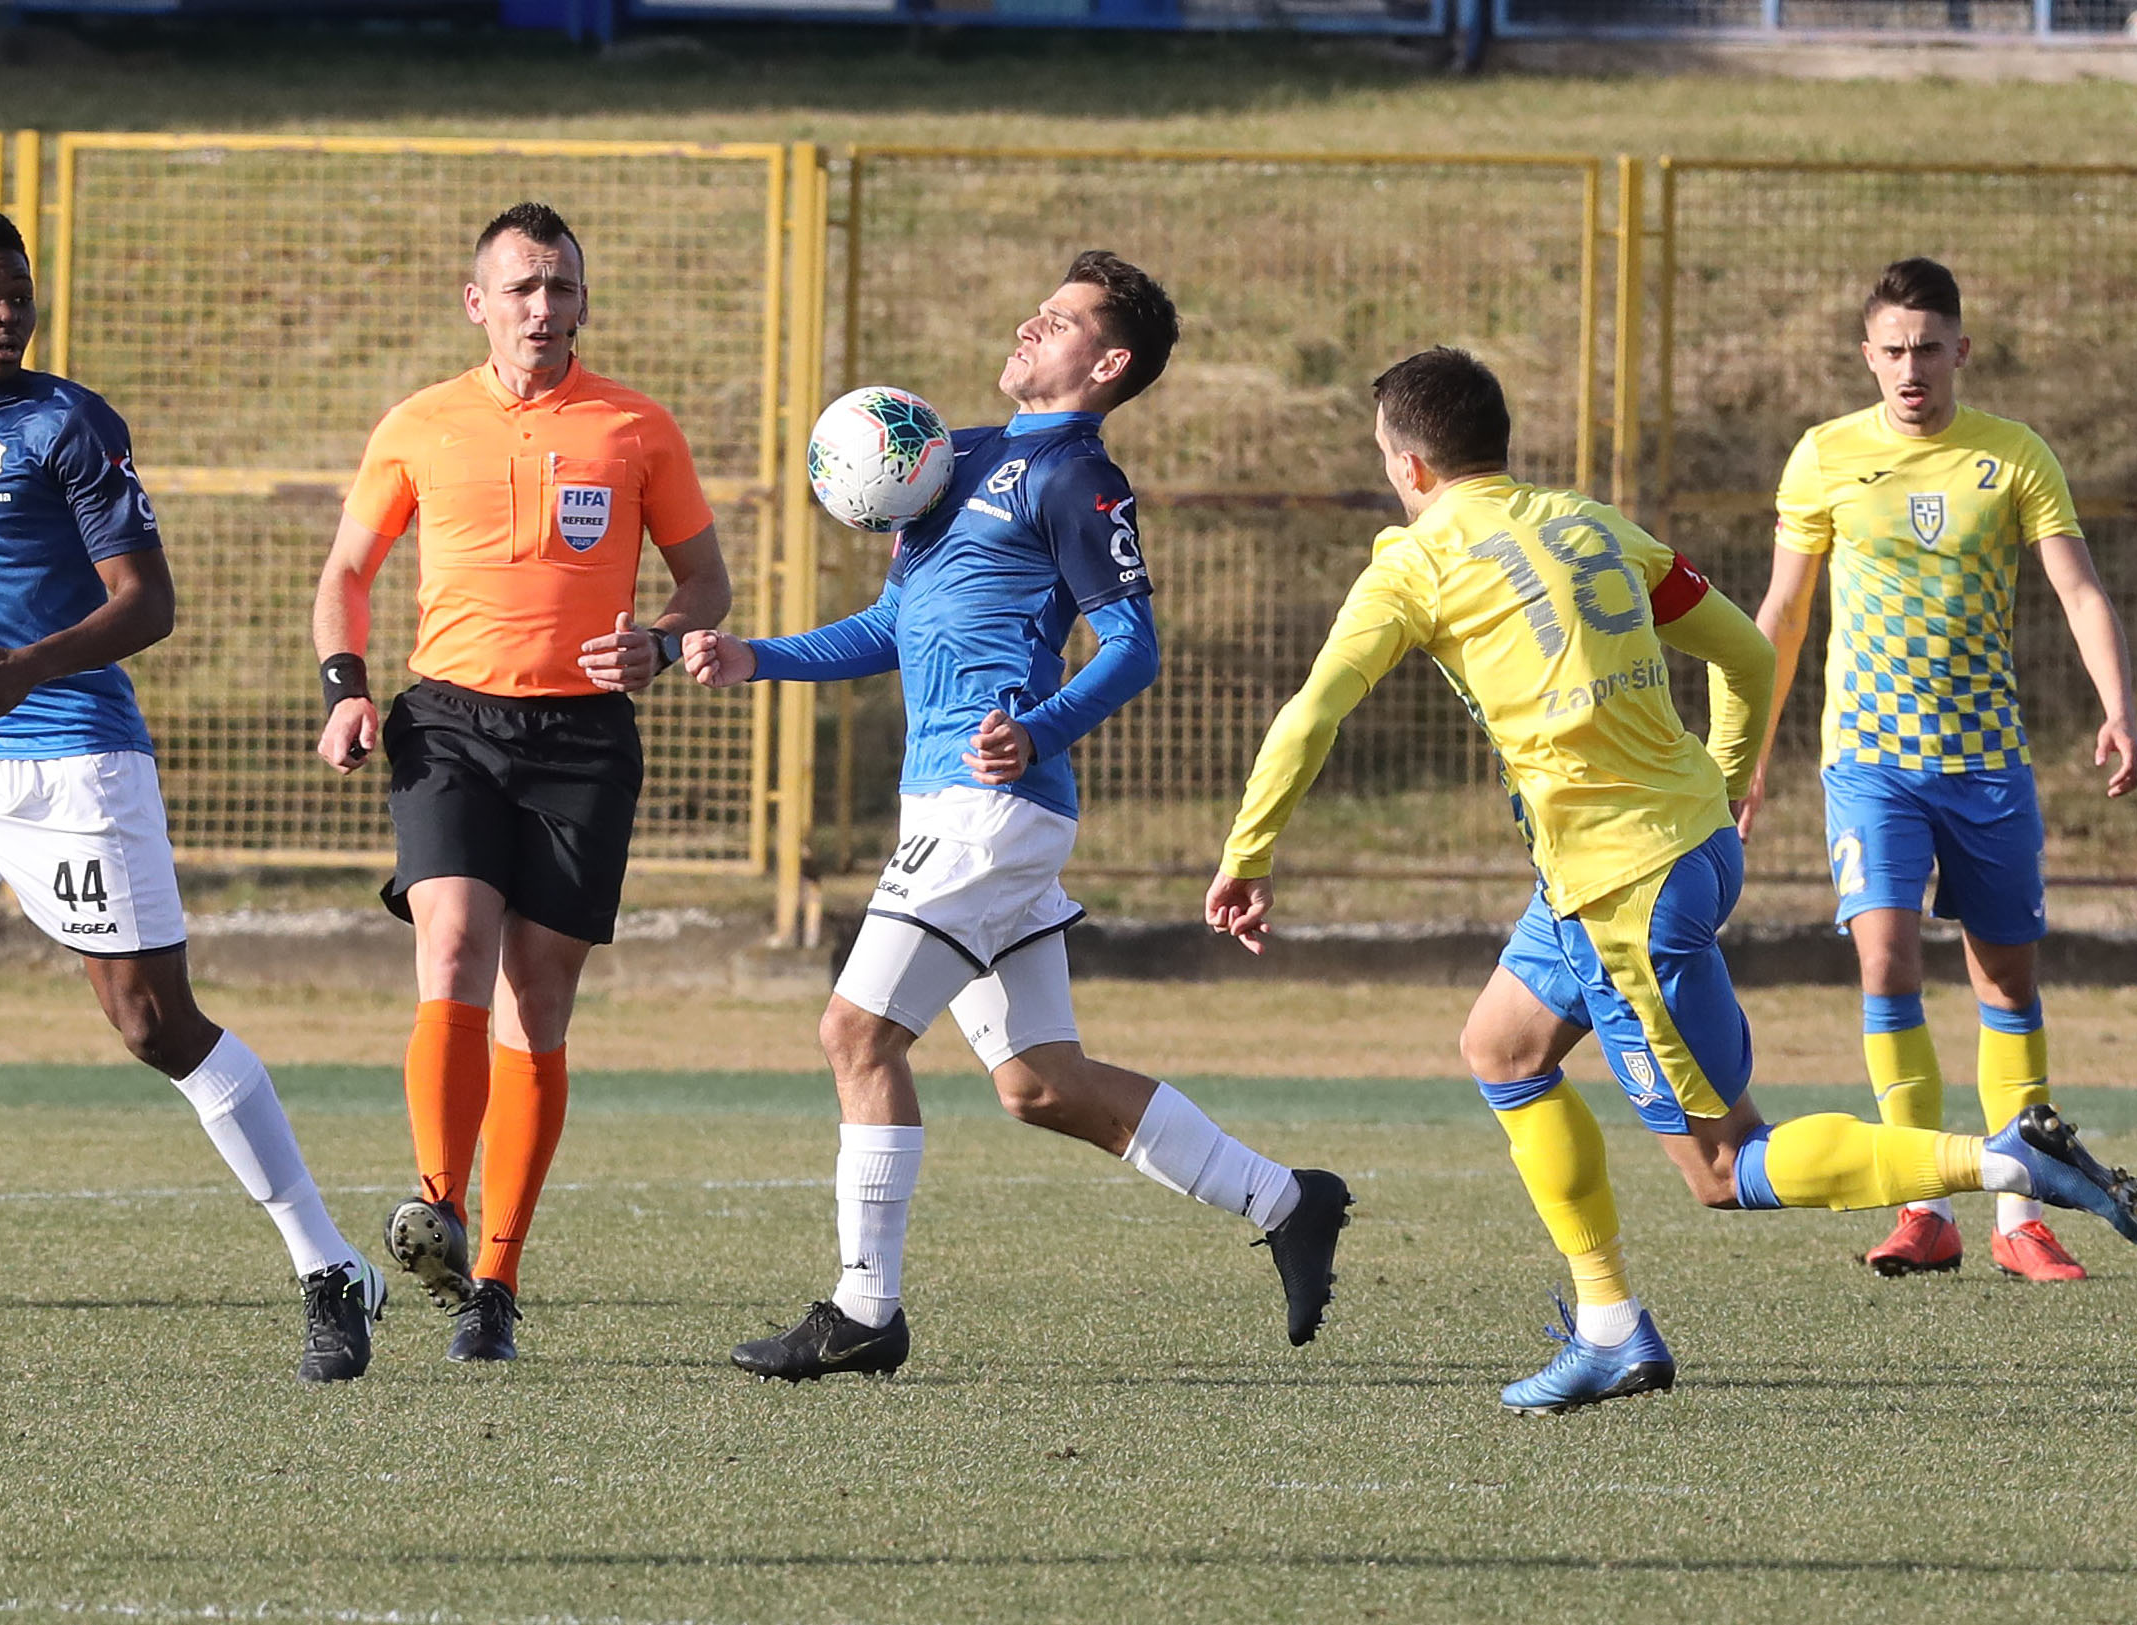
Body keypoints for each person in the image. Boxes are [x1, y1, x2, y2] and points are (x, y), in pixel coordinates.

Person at [1207, 345, 2137, 1415]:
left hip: (1624, 889)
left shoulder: (1416, 565)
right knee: (1502, 1046)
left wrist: (1248, 851)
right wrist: (1727, 783)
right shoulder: (1593, 524)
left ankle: (2005, 1159)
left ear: (1409, 467)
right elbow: (1747, 654)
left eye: (1385, 458)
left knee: (1725, 1165)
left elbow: (1312, 713)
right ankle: (1608, 1324)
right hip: (1668, 850)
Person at [685, 252, 1352, 1383]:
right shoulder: (954, 460)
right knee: (1040, 1082)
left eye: (1060, 320)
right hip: (957, 803)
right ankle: (1287, 1199)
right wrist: (759, 657)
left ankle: (863, 1308)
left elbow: (1133, 646)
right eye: (1037, 311)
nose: (1030, 327)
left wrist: (1038, 729)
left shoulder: (1078, 477)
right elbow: (893, 624)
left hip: (988, 809)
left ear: (1110, 361)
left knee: (855, 1034)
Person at [0, 207, 384, 1383]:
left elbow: (149, 603)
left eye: (20, 296)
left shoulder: (68, 423)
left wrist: (29, 666)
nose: (8, 316)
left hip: (75, 758)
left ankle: (331, 1265)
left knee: (154, 1026)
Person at [310, 202, 732, 1364]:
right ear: (477, 303)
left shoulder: (636, 427)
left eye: (560, 288)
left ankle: (493, 1280)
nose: (542, 308)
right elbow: (348, 571)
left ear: (583, 301)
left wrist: (659, 640)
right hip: (448, 720)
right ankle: (438, 1204)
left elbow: (707, 580)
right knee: (451, 938)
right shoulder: (420, 422)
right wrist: (347, 687)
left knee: (536, 999)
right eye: (521, 288)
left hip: (584, 737)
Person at [1741, 258, 2136, 1283]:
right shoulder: (1825, 455)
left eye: (1927, 348)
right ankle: (1923, 1206)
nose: (1910, 367)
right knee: (1886, 961)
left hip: (1987, 762)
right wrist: (1745, 753)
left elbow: (2079, 589)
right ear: (1867, 357)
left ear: (1960, 350)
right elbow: (1782, 615)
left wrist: (2119, 704)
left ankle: (2020, 1215)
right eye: (1893, 350)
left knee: (2007, 978)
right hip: (1870, 760)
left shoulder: (2013, 456)